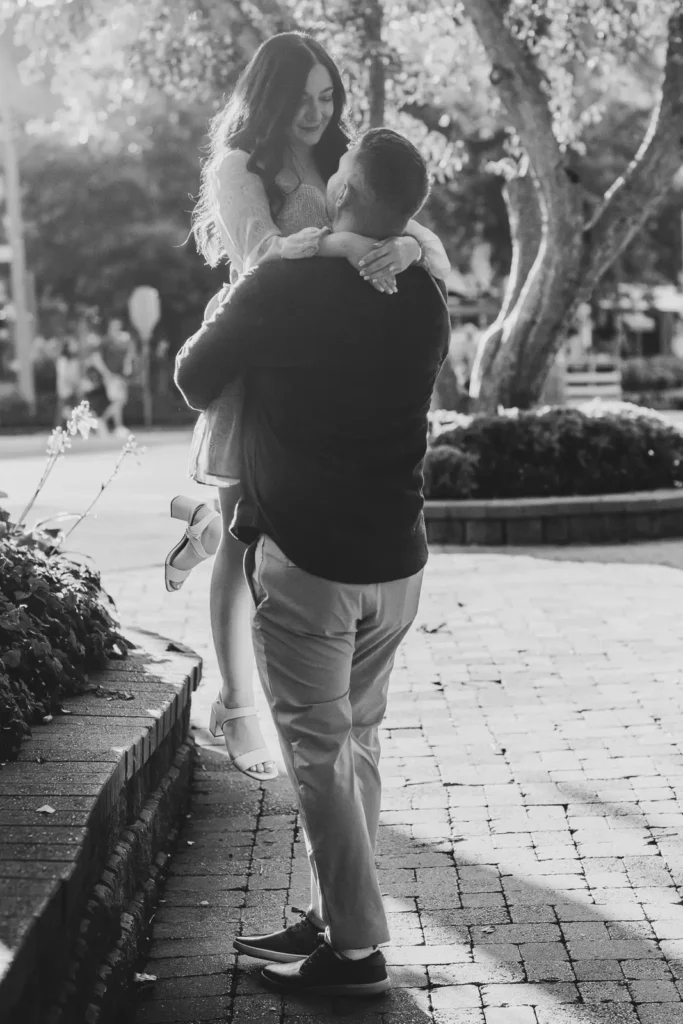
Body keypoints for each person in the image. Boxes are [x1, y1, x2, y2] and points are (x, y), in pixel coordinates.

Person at [175, 127, 450, 997]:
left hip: (310, 563)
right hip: (397, 564)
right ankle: (332, 914)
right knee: (354, 744)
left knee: (320, 758)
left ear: (342, 190)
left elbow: (192, 376)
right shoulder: (423, 292)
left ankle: (356, 953)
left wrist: (247, 285)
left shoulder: (285, 282)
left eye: (339, 169)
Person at [165, 31, 451, 785]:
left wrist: (407, 249)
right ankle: (235, 701)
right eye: (302, 99)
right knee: (242, 535)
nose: (317, 114)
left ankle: (197, 526)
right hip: (256, 357)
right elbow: (260, 253)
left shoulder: (342, 158)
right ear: (270, 97)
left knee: (260, 527)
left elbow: (408, 221)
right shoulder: (238, 166)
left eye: (328, 99)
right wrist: (342, 246)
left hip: (323, 365)